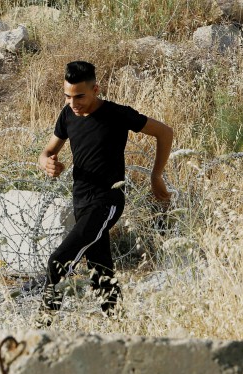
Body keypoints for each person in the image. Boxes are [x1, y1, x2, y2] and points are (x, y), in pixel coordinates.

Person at [37, 60, 173, 322]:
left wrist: (156, 176)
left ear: (96, 89)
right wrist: (47, 162)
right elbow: (47, 152)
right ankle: (119, 324)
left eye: (80, 96)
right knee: (100, 268)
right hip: (81, 200)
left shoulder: (117, 114)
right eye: (67, 96)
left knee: (58, 261)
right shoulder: (68, 115)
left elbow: (164, 133)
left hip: (107, 200)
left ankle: (41, 328)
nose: (73, 103)